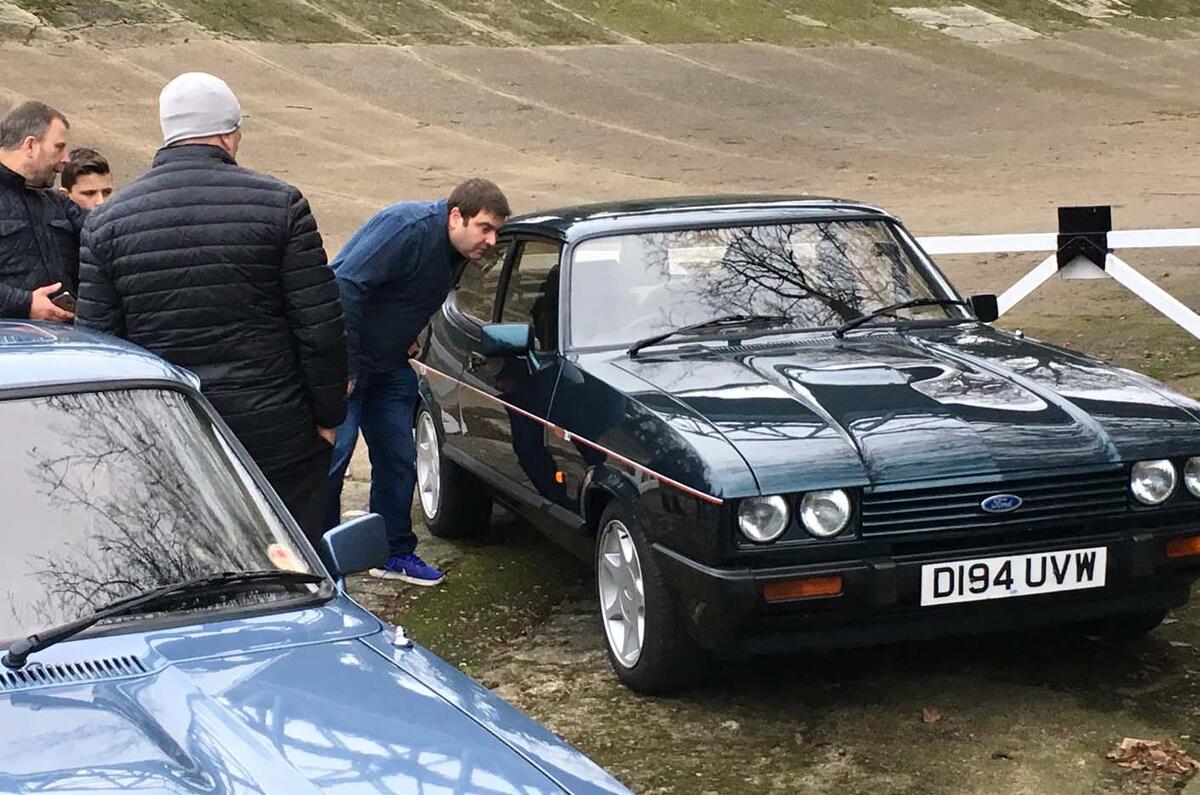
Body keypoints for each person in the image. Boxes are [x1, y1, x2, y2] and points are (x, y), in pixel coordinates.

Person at [76, 72, 347, 546]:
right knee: (287, 558)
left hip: (168, 432)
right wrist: (329, 417)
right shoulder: (280, 205)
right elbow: (319, 326)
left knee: (184, 559)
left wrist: (118, 440)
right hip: (275, 431)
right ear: (227, 135)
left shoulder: (107, 224)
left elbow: (99, 348)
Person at [325, 178, 510, 586]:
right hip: (345, 366)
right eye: (485, 228)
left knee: (399, 457)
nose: (492, 241)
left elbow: (414, 295)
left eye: (496, 231)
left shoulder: (459, 250)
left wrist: (413, 335)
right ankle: (321, 564)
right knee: (332, 460)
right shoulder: (406, 228)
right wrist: (346, 368)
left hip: (390, 366)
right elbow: (344, 285)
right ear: (456, 216)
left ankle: (391, 553)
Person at [0, 101, 85, 321]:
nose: (66, 159)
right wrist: (25, 303)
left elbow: (102, 232)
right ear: (30, 146)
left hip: (66, 337)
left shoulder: (56, 203)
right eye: (59, 147)